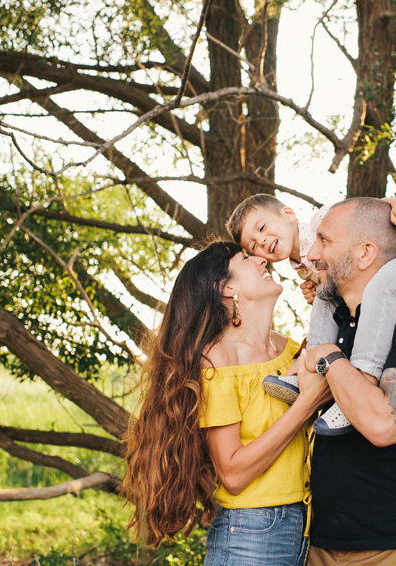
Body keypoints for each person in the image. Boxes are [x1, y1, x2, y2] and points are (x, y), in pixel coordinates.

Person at [123, 241, 329, 566]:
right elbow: (231, 474)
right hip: (251, 530)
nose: (262, 260)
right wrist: (306, 404)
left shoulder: (290, 350)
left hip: (304, 523)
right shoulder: (216, 360)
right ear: (227, 286)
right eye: (247, 258)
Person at [300, 198, 396, 565]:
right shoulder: (335, 324)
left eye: (323, 241)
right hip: (320, 541)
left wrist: (328, 357)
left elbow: (383, 425)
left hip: (395, 543)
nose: (310, 252)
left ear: (365, 253)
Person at [226, 194, 396, 435]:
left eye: (262, 228)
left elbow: (368, 209)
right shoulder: (299, 265)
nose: (262, 241)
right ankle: (307, 370)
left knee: (380, 288)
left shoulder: (321, 221)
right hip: (382, 277)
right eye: (254, 245)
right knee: (324, 295)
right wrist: (316, 290)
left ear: (288, 215)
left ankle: (364, 378)